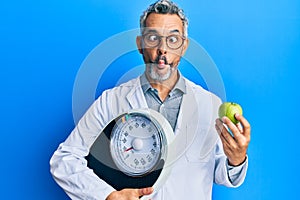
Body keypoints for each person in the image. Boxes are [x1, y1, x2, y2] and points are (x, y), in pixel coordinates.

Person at [50, 0, 251, 199]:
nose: (163, 49)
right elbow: (64, 160)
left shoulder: (210, 104)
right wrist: (107, 196)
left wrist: (237, 159)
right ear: (140, 44)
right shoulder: (111, 101)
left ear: (184, 46)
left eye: (173, 39)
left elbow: (223, 175)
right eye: (153, 37)